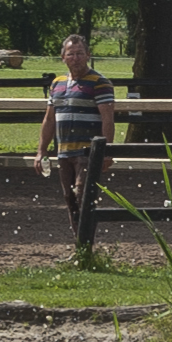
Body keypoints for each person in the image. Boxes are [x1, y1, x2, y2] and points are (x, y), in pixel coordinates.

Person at [33, 32, 117, 249]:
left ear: (88, 55)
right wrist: (41, 150)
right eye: (71, 54)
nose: (76, 58)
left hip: (88, 151)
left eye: (80, 53)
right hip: (64, 151)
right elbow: (49, 119)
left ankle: (86, 244)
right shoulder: (57, 84)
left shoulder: (100, 83)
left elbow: (108, 119)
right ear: (63, 57)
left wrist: (106, 151)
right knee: (69, 198)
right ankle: (80, 244)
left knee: (83, 195)